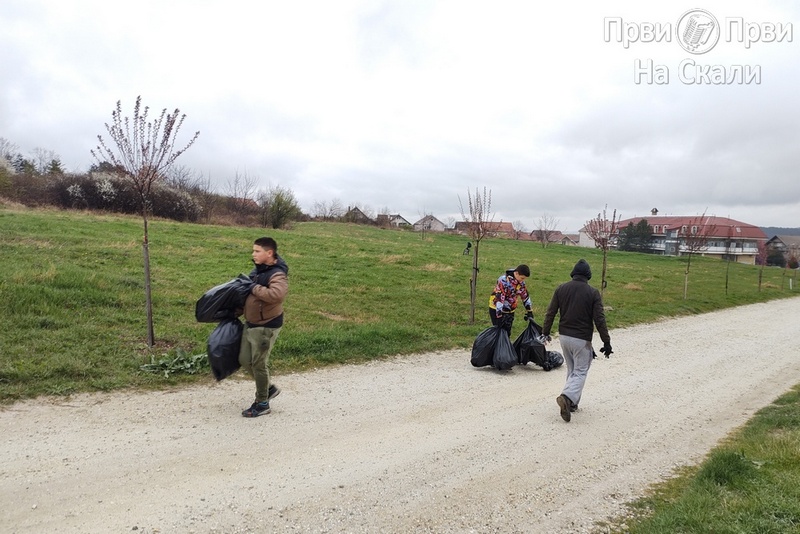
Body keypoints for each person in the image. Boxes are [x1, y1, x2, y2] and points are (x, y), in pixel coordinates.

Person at [540, 259, 612, 423]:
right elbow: (599, 319)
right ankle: (566, 397)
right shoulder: (593, 293)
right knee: (580, 371)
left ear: (573, 273)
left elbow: (550, 312)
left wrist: (545, 332)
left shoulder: (561, 288)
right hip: (581, 339)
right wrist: (606, 342)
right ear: (588, 275)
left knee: (572, 370)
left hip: (564, 337)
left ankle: (571, 403)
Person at [239, 237, 289, 418]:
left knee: (259, 364)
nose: (253, 254)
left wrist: (252, 287)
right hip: (251, 323)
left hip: (266, 326)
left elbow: (277, 294)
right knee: (245, 359)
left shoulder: (277, 274)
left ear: (269, 253)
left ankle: (262, 403)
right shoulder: (258, 270)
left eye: (257, 251)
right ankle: (268, 388)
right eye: (253, 251)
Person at [488, 264, 534, 336]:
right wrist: (499, 316)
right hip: (496, 309)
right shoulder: (503, 281)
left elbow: (525, 296)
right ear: (516, 273)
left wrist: (529, 311)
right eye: (522, 278)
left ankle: (505, 346)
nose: (523, 280)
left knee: (507, 334)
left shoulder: (521, 283)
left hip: (510, 310)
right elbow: (500, 298)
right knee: (499, 334)